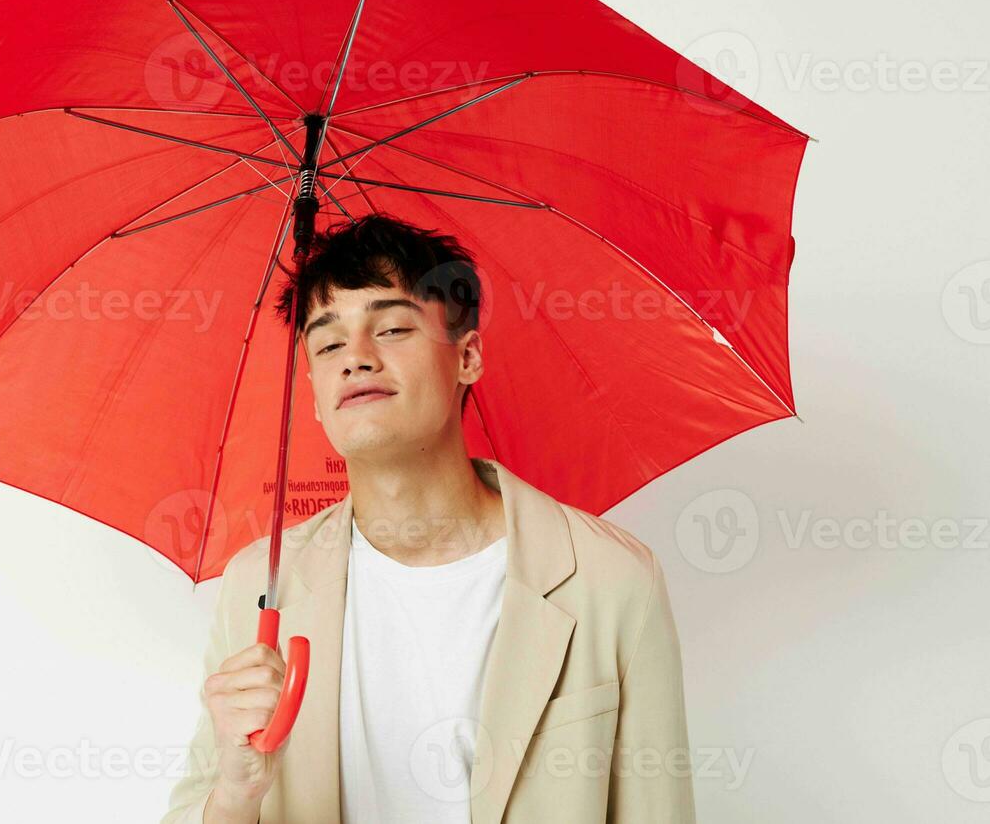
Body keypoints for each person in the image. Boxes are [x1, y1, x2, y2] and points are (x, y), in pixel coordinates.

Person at [163, 213, 696, 823]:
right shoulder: (261, 585)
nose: (356, 358)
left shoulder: (613, 580)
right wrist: (236, 791)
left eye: (391, 329)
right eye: (328, 342)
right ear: (312, 392)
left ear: (467, 357)